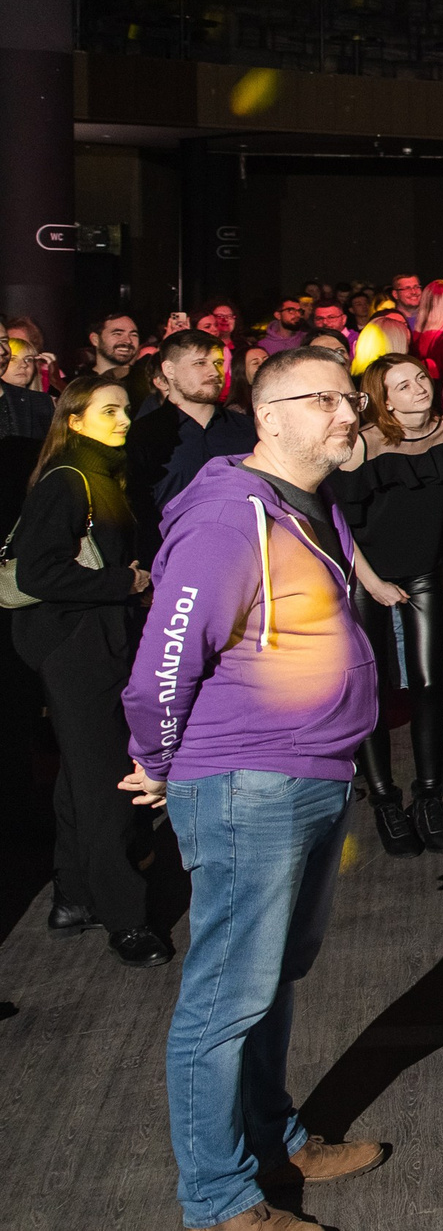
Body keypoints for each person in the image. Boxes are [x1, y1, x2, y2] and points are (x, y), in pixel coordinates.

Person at [120, 347, 393, 1230]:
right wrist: (155, 760)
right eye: (327, 401)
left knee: (273, 975)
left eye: (351, 399)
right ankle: (220, 1198)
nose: (350, 414)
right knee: (228, 993)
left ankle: (275, 1136)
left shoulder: (307, 503)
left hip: (311, 770)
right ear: (269, 416)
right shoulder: (229, 518)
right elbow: (164, 663)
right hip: (247, 781)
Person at [16, 377, 169, 966]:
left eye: (127, 409)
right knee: (106, 782)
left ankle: (74, 898)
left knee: (80, 776)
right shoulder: (67, 479)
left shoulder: (103, 474)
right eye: (110, 411)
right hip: (74, 647)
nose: (125, 419)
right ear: (74, 421)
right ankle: (126, 920)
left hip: (97, 641)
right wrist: (123, 582)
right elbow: (37, 574)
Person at [330, 352, 443, 855]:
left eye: (420, 377)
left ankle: (428, 797)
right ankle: (384, 800)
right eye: (403, 385)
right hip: (368, 573)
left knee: (428, 682)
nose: (419, 388)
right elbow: (339, 520)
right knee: (373, 687)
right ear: (384, 398)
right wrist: (371, 581)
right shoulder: (363, 441)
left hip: (426, 568)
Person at [124, 329, 257, 564]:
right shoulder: (144, 434)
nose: (213, 372)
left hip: (242, 559)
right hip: (172, 561)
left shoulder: (247, 430)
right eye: (199, 363)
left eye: (217, 362)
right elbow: (137, 511)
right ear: (169, 370)